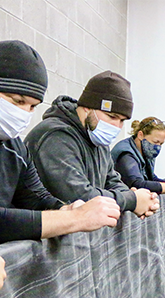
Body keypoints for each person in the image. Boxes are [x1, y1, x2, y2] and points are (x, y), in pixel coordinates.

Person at [0, 40, 120, 244]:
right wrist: (74, 218)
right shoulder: (54, 136)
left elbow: (34, 196)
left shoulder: (15, 147)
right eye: (17, 101)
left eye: (32, 107)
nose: (23, 113)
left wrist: (64, 208)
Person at [25, 71, 159, 219]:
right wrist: (132, 200)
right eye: (112, 117)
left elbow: (112, 180)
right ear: (88, 107)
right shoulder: (56, 137)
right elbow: (79, 196)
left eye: (122, 121)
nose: (116, 126)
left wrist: (138, 197)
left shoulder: (97, 138)